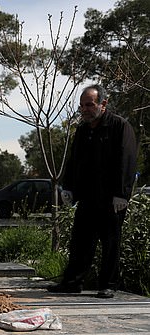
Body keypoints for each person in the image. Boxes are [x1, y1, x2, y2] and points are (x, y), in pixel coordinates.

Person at [48, 84, 138, 298]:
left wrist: (122, 194)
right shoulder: (82, 130)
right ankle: (72, 282)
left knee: (110, 242)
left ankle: (108, 284)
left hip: (112, 199)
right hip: (88, 197)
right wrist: (68, 188)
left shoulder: (120, 126)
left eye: (89, 104)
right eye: (82, 106)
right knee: (80, 241)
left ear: (103, 104)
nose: (85, 109)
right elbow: (74, 161)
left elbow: (127, 161)